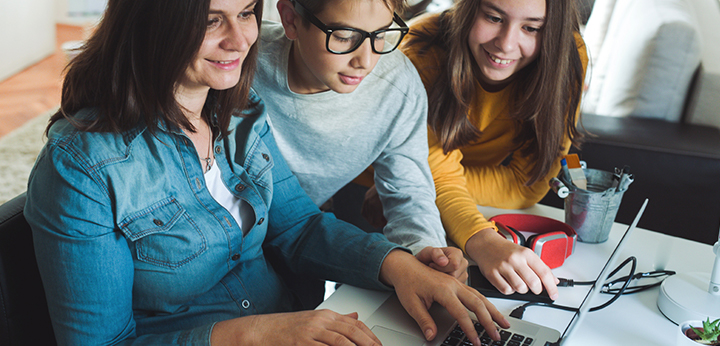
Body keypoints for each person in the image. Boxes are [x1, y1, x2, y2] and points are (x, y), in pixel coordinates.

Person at [23, 0, 509, 344]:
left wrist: (399, 265)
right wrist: (258, 335)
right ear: (153, 22)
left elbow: (298, 227)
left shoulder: (239, 111)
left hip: (302, 323)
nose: (240, 39)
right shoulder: (81, 168)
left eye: (246, 12)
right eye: (212, 20)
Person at [366, 0, 587, 300]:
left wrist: (421, 183)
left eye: (531, 28)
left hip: (443, 198)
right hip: (374, 194)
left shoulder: (568, 54)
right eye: (494, 17)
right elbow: (424, 178)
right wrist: (483, 241)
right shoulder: (420, 51)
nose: (506, 44)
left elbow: (527, 183)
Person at [251, 0, 468, 279]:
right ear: (291, 19)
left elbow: (409, 193)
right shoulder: (240, 63)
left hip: (304, 241)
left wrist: (428, 253)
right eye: (343, 37)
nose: (365, 61)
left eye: (380, 35)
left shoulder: (397, 85)